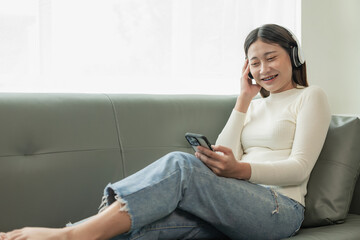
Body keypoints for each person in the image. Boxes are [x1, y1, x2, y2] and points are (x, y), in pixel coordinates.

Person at [0, 23, 331, 240]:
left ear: (294, 55)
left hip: (280, 209)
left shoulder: (309, 96)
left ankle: (70, 235)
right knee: (144, 226)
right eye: (254, 63)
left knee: (181, 164)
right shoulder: (252, 104)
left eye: (270, 58)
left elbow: (300, 168)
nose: (263, 69)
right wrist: (243, 100)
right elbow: (224, 158)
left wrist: (241, 170)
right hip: (238, 204)